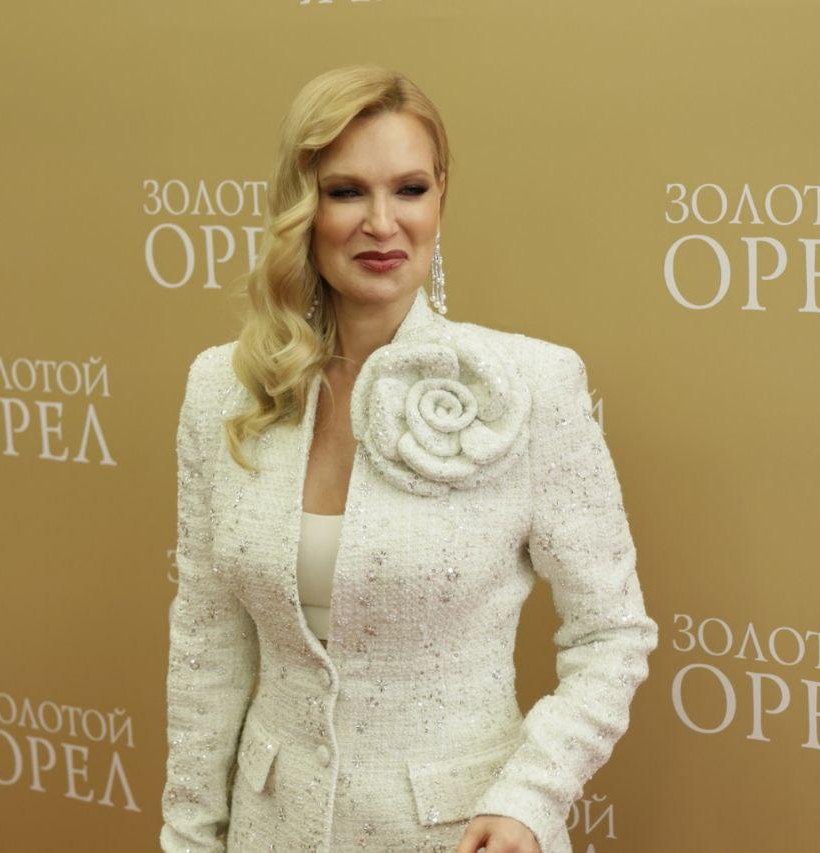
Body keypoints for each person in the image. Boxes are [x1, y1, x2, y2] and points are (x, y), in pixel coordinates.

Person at [160, 65, 658, 853]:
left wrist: (531, 797)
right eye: (346, 191)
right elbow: (206, 645)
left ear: (441, 199)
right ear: (302, 206)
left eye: (410, 189)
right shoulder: (224, 389)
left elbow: (612, 633)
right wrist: (189, 837)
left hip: (462, 836)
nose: (381, 223)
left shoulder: (531, 385)